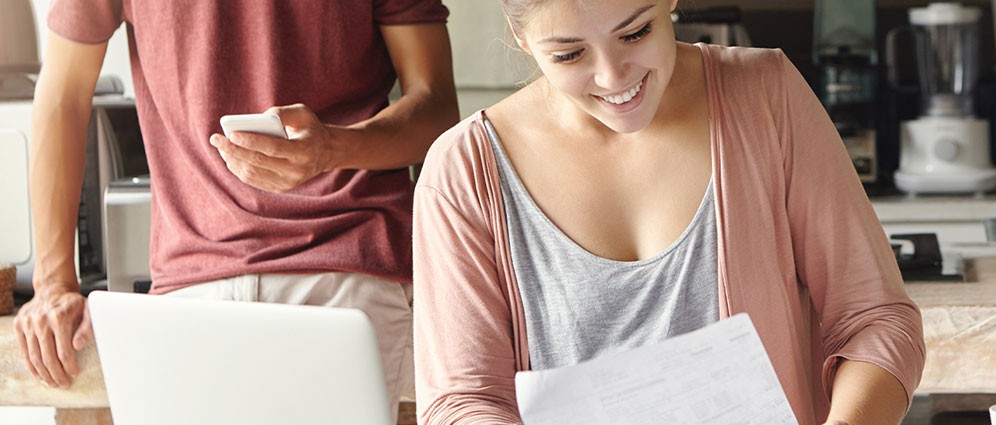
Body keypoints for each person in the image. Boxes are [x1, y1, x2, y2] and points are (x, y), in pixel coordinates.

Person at [412, 0, 925, 424]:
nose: (614, 78)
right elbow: (463, 400)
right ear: (523, 41)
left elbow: (875, 320)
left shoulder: (767, 96)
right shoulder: (464, 171)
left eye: (635, 33)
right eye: (569, 55)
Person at [13, 0, 458, 418]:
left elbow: (437, 108)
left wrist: (333, 149)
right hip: (187, 288)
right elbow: (64, 94)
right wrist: (52, 284)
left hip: (347, 270)